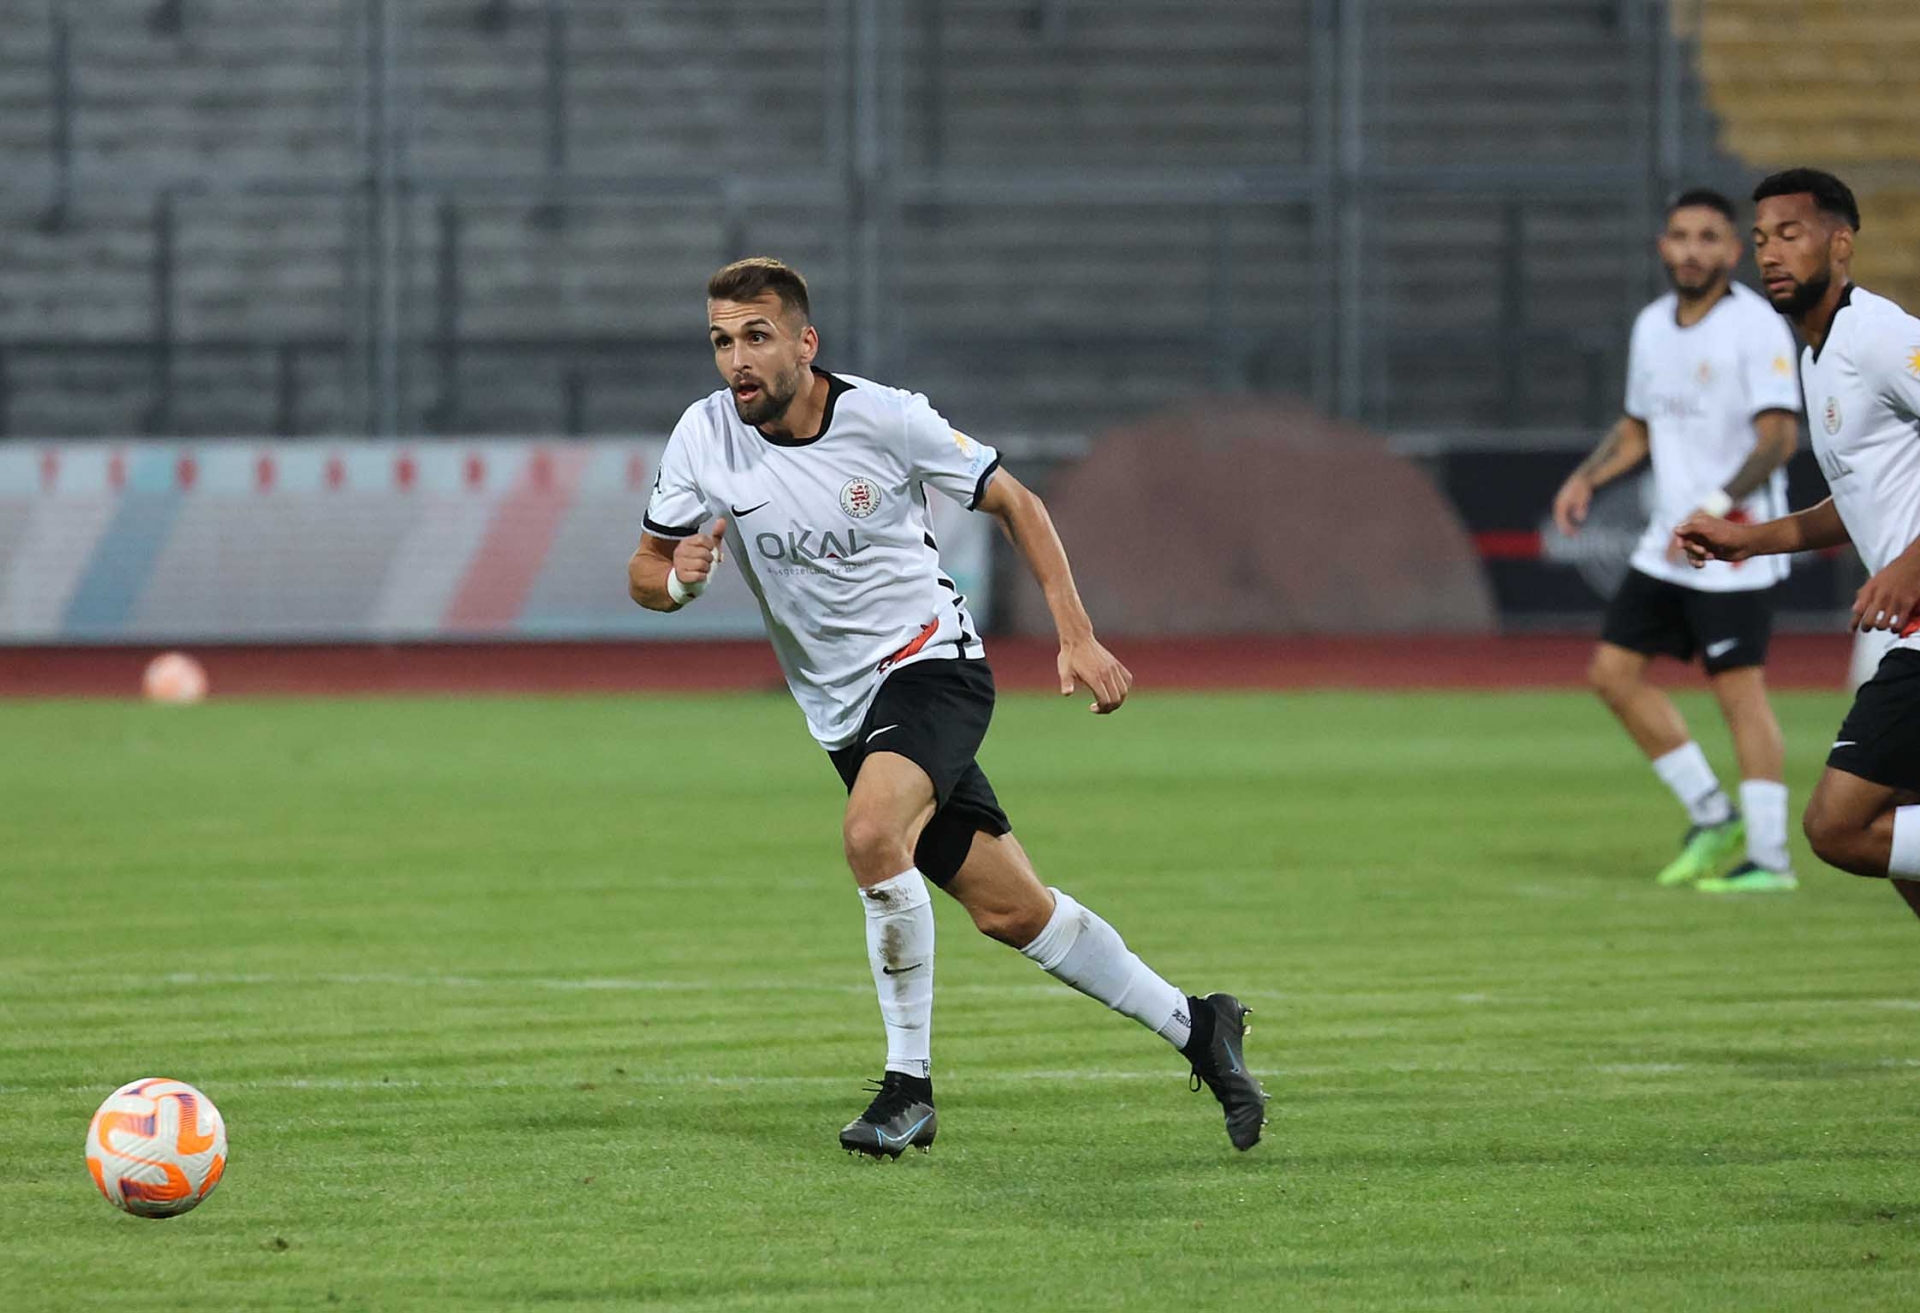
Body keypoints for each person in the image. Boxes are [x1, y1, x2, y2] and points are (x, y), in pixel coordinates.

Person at [627, 258, 1267, 1156]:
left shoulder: (886, 418)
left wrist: (1076, 635)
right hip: (844, 711)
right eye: (722, 340)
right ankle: (1200, 1025)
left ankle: (907, 1089)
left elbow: (1017, 500)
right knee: (1015, 911)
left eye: (757, 336)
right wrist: (680, 586)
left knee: (868, 835)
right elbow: (647, 571)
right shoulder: (703, 436)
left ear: (805, 344)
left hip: (932, 667)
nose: (737, 358)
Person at [1677, 169, 1920, 918]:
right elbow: (1852, 504)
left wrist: (1911, 562)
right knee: (1902, 835)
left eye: (1791, 233)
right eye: (1760, 240)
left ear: (1840, 242)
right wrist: (1749, 539)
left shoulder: (1878, 336)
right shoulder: (1818, 359)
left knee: (1838, 827)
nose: (1770, 253)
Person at [1551, 189, 1803, 891]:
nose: (1693, 249)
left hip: (1735, 545)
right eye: (1681, 236)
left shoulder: (1755, 327)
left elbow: (1779, 437)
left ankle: (1771, 860)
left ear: (1730, 250)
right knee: (1612, 675)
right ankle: (1710, 811)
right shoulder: (1652, 325)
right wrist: (1586, 478)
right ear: (1664, 246)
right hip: (1667, 542)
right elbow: (1639, 428)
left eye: (1709, 237)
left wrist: (1715, 510)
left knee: (1738, 696)